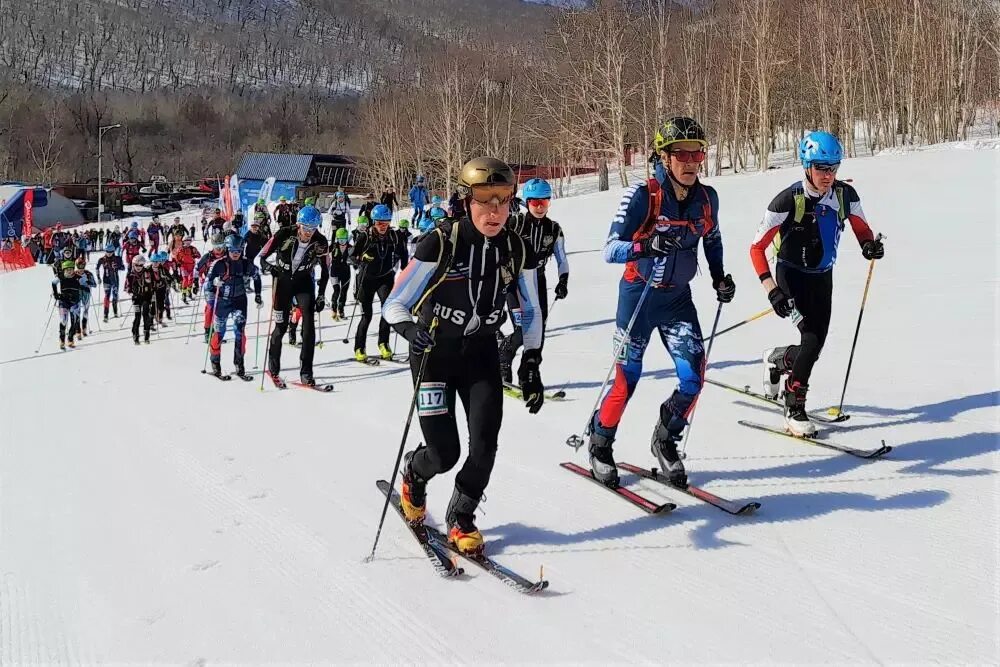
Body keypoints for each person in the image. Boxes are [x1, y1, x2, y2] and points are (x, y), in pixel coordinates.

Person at [382, 156, 545, 554]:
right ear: (466, 200)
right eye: (485, 199)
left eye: (503, 200)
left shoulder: (515, 248)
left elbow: (531, 309)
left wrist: (532, 361)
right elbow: (394, 303)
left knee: (485, 445)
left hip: (480, 353)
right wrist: (409, 331)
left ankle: (462, 515)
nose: (494, 211)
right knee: (445, 453)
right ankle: (415, 475)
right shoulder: (441, 242)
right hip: (434, 355)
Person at [588, 116, 736, 488]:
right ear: (664, 157)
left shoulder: (707, 199)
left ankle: (665, 439)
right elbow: (609, 249)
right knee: (626, 380)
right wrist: (644, 246)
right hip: (638, 297)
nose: (689, 161)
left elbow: (712, 239)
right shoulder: (643, 196)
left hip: (677, 301)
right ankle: (600, 442)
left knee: (693, 379)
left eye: (696, 153)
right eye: (680, 154)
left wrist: (720, 278)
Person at [750, 130, 882, 436]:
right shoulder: (787, 200)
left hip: (823, 278)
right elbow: (756, 249)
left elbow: (862, 229)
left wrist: (869, 246)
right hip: (790, 277)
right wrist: (773, 291)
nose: (829, 175)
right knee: (810, 340)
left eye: (834, 167)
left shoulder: (844, 195)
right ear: (807, 165)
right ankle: (794, 406)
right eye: (822, 168)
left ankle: (776, 359)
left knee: (815, 346)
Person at [497, 178, 569, 383]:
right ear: (527, 203)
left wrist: (563, 281)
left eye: (544, 203)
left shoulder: (554, 229)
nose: (539, 207)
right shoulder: (515, 223)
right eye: (535, 203)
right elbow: (496, 247)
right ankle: (504, 359)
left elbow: (562, 258)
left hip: (538, 281)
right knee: (522, 330)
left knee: (538, 334)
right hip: (513, 282)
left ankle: (527, 373)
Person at [258, 204, 330, 387]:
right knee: (280, 327)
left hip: (303, 282)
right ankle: (273, 369)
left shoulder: (321, 241)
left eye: (312, 229)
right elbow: (261, 256)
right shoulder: (284, 233)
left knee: (308, 325)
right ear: (299, 225)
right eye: (306, 228)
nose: (308, 233)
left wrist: (321, 295)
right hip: (283, 282)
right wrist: (269, 267)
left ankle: (306, 372)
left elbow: (326, 269)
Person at [350, 203, 408, 361]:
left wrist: (405, 268)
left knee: (387, 311)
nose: (382, 227)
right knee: (366, 315)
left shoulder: (395, 236)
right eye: (379, 223)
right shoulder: (365, 236)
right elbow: (351, 256)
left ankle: (383, 343)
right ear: (373, 222)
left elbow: (404, 253)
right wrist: (361, 259)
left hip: (385, 277)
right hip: (366, 279)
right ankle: (359, 347)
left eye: (386, 223)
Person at [206, 235, 262, 378]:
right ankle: (215, 362)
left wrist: (258, 295)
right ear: (227, 249)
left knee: (240, 332)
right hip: (223, 302)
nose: (235, 253)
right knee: (219, 332)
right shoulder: (218, 264)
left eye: (238, 250)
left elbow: (257, 276)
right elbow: (208, 282)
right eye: (232, 250)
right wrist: (214, 283)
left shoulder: (246, 264)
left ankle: (239, 363)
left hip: (239, 301)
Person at [196, 233, 227, 342]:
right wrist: (197, 279)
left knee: (220, 309)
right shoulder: (208, 257)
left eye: (221, 246)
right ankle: (208, 332)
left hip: (224, 286)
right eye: (216, 246)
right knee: (210, 307)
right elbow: (197, 268)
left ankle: (217, 333)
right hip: (209, 286)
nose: (218, 249)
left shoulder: (228, 255)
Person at [124, 255, 158, 345]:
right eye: (136, 265)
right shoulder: (131, 275)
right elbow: (127, 286)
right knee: (137, 316)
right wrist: (130, 291)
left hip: (146, 297)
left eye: (141, 265)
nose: (139, 267)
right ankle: (135, 334)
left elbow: (154, 282)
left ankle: (147, 334)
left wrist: (154, 290)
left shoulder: (147, 272)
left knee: (146, 315)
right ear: (133, 265)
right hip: (136, 298)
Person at [52, 260, 83, 349]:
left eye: (71, 269)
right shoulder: (61, 277)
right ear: (63, 270)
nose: (69, 271)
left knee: (74, 321)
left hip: (75, 302)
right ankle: (62, 339)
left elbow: (86, 283)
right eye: (67, 270)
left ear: (73, 269)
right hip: (63, 301)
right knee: (63, 321)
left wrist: (85, 287)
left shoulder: (78, 277)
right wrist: (55, 294)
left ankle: (70, 339)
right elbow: (53, 283)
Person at [96, 244, 124, 320]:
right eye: (107, 251)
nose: (109, 253)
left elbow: (123, 267)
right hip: (106, 280)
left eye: (110, 252)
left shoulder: (118, 258)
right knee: (107, 296)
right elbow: (97, 268)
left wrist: (117, 267)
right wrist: (98, 278)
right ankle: (106, 314)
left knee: (115, 295)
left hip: (115, 279)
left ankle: (115, 311)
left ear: (113, 251)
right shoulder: (102, 259)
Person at [329, 227, 352, 320]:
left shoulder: (350, 247)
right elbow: (324, 255)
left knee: (344, 292)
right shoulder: (333, 246)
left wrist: (357, 265)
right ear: (337, 239)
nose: (342, 242)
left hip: (346, 272)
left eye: (344, 239)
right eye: (340, 240)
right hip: (335, 271)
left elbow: (355, 258)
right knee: (337, 290)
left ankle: (341, 309)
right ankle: (334, 309)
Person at [75, 256, 98, 337]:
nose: (81, 269)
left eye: (82, 266)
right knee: (77, 311)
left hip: (86, 293)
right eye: (79, 266)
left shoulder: (88, 273)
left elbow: (94, 284)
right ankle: (78, 330)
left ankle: (84, 328)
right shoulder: (74, 274)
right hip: (77, 294)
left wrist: (88, 282)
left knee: (85, 310)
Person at [174, 237, 201, 304]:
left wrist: (195, 255)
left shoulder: (193, 248)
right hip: (184, 266)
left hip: (191, 266)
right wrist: (179, 263)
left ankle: (189, 291)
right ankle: (184, 294)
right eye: (186, 241)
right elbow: (176, 257)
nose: (188, 242)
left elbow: (199, 255)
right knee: (185, 279)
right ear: (184, 242)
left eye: (189, 241)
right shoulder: (181, 249)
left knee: (191, 279)